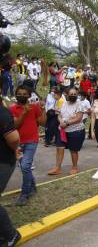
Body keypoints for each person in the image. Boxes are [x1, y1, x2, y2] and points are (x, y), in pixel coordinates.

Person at [9, 85, 46, 206]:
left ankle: (25, 194)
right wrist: (24, 112)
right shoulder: (12, 109)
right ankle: (33, 186)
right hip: (18, 143)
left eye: (25, 94)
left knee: (25, 166)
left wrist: (43, 109)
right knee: (26, 168)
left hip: (32, 141)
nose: (22, 96)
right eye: (19, 94)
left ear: (29, 96)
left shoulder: (34, 108)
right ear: (16, 95)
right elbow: (15, 126)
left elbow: (43, 123)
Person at [47, 88, 86, 175]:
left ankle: (74, 167)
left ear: (77, 95)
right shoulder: (64, 104)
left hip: (76, 131)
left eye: (74, 94)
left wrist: (67, 123)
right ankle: (57, 168)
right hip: (62, 130)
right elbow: (59, 115)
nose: (73, 96)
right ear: (67, 95)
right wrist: (60, 121)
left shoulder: (79, 105)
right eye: (71, 94)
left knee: (73, 150)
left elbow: (79, 118)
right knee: (59, 148)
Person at [0, 103, 22, 246]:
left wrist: (14, 151)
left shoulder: (2, 112)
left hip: (2, 162)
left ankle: (11, 235)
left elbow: (14, 139)